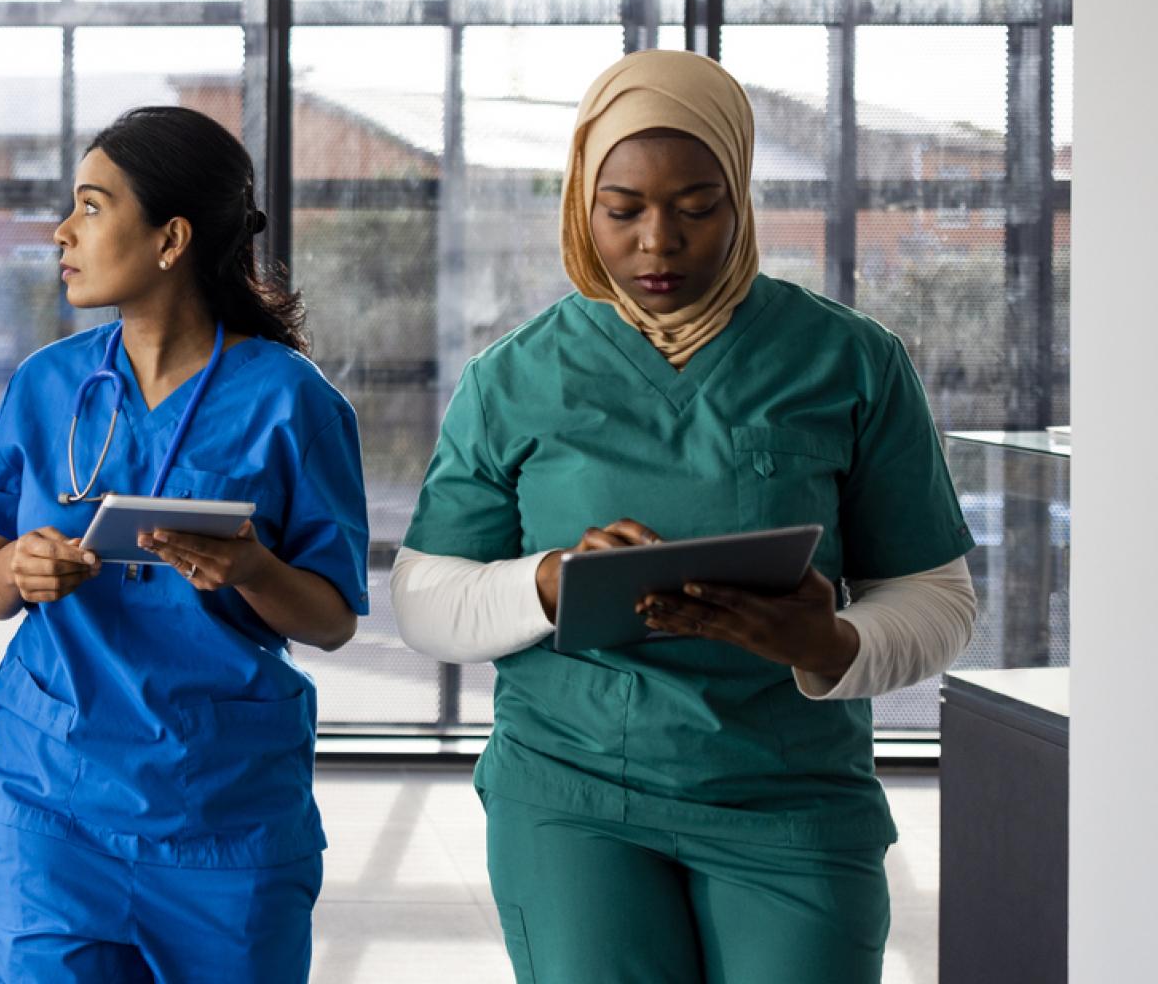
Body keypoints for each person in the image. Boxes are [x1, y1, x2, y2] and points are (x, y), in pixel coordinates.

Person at [391, 50, 978, 984]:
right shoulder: (514, 377)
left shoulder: (851, 363)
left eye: (697, 207)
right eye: (622, 210)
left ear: (740, 199)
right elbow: (425, 597)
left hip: (789, 796)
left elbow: (935, 597)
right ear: (582, 202)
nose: (658, 242)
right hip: (571, 791)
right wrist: (546, 582)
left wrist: (831, 643)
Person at [0, 106, 370, 983]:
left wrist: (252, 569)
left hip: (223, 812)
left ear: (171, 237)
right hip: (50, 798)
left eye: (93, 207)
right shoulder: (50, 385)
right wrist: (16, 569)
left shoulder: (291, 401)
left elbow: (331, 619)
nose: (62, 231)